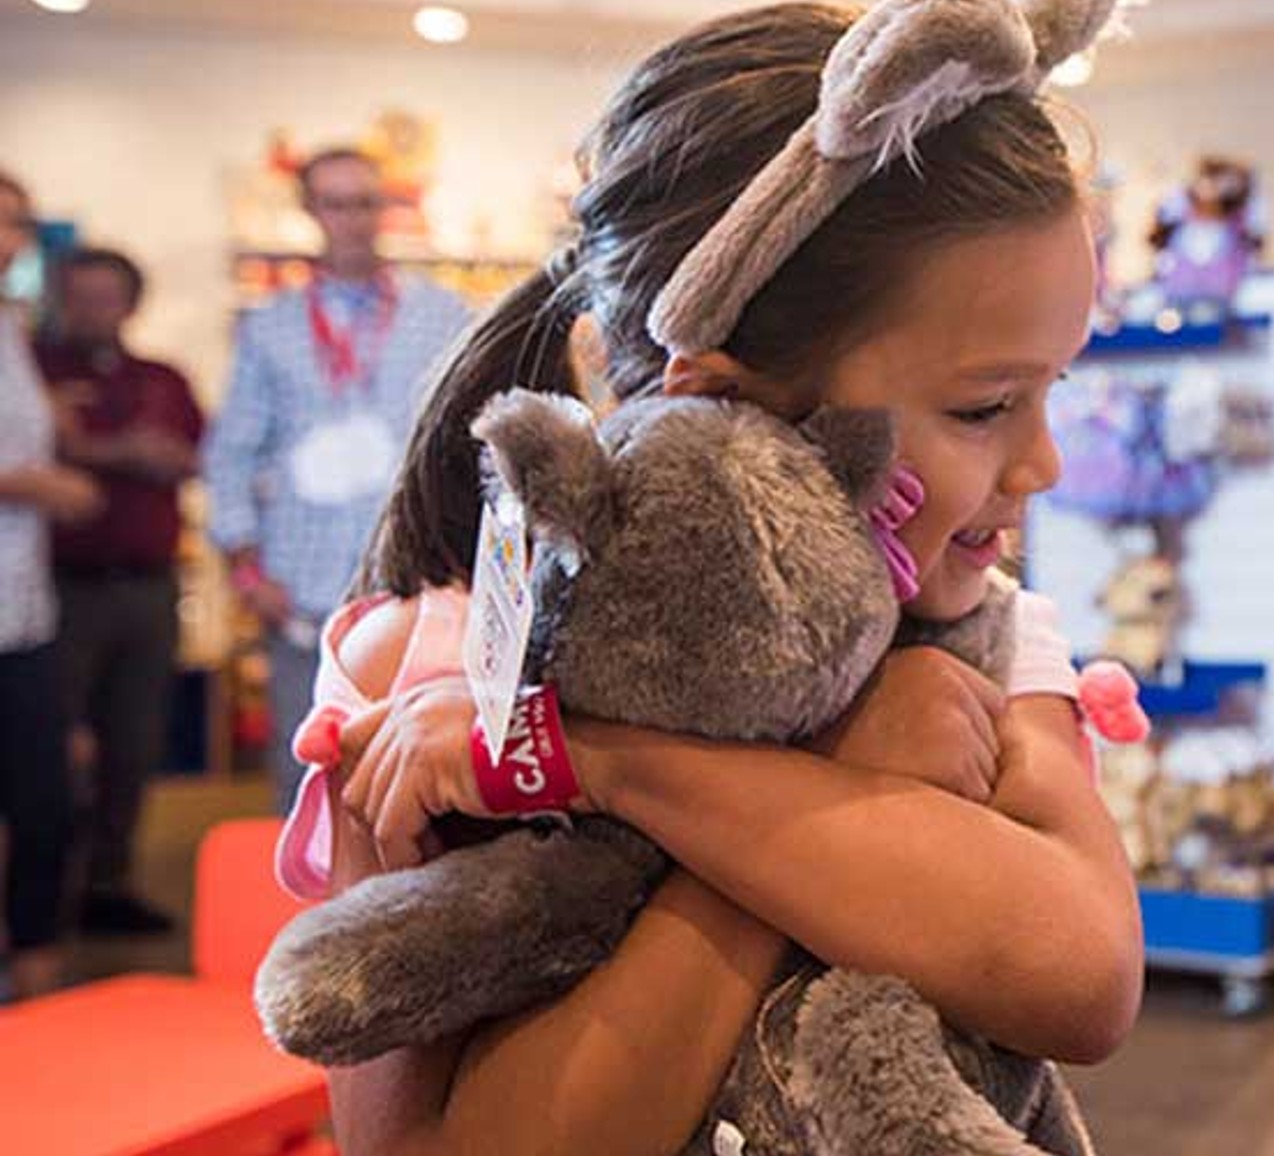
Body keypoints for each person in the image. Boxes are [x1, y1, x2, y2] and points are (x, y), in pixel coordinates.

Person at [283, 5, 1142, 1152]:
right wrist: (830, 771)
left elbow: (1083, 979)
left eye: (1052, 390)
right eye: (986, 406)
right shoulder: (430, 678)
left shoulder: (989, 643)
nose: (1044, 465)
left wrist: (607, 763)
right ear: (722, 403)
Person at [199, 147, 472, 810]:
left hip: (414, 583)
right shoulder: (270, 326)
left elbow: (465, 439)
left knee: (416, 772)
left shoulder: (445, 315)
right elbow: (231, 452)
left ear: (385, 209)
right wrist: (247, 573)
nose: (353, 220)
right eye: (336, 204)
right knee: (307, 770)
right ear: (311, 211)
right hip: (302, 590)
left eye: (365, 203)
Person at [35, 246, 206, 936]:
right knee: (49, 745)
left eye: (106, 298)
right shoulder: (32, 372)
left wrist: (115, 452)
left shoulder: (163, 378)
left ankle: (109, 882)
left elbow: (198, 455)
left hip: (147, 587)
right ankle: (43, 893)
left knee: (134, 742)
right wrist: (123, 452)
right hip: (61, 591)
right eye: (80, 298)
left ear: (131, 305)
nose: (92, 312)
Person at [0, 170, 102, 999]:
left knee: (45, 797)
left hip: (24, 605)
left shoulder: (12, 326)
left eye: (16, 224)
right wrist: (38, 485)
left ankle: (35, 984)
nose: (7, 240)